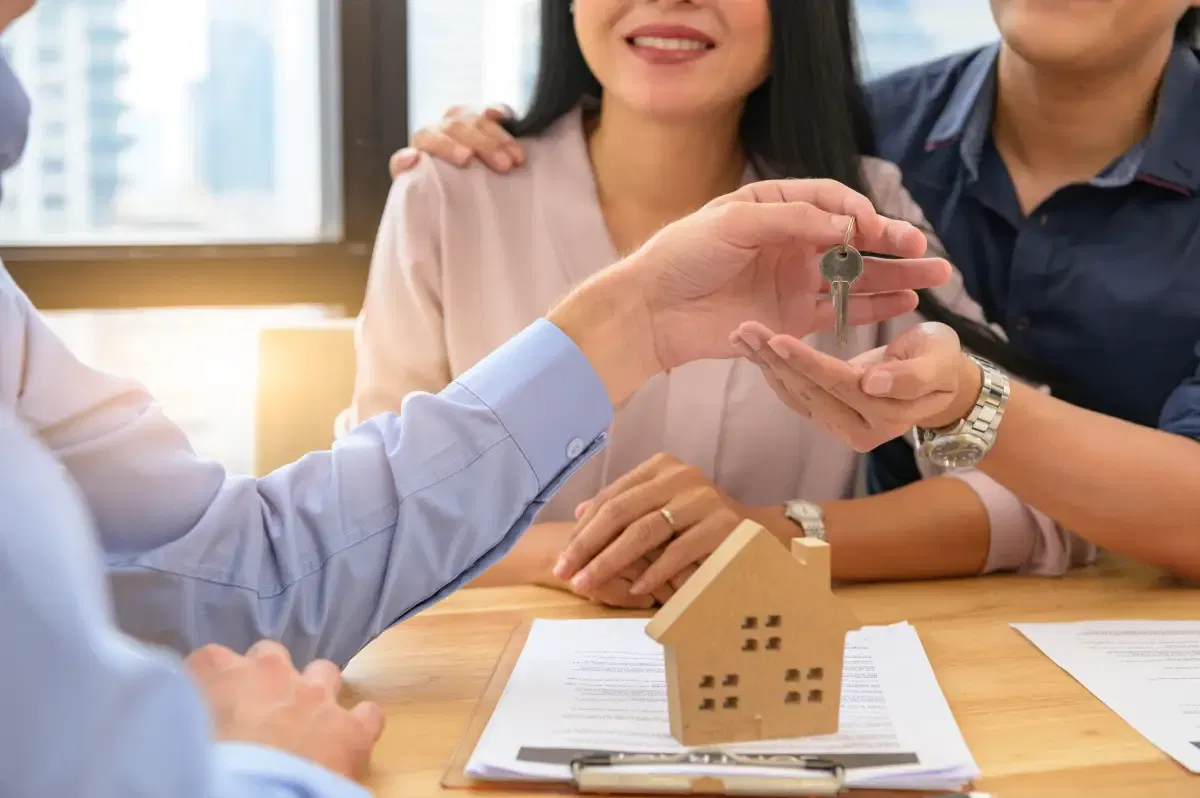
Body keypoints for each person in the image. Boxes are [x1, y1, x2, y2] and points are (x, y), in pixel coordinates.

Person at [2, 160, 954, 798]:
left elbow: (229, 576)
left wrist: (638, 322)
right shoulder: (449, 185)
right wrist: (266, 779)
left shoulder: (869, 198)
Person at [390, 1, 1200, 589]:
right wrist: (599, 554)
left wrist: (772, 534)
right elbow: (372, 521)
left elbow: (1037, 503)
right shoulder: (448, 195)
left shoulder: (861, 198)